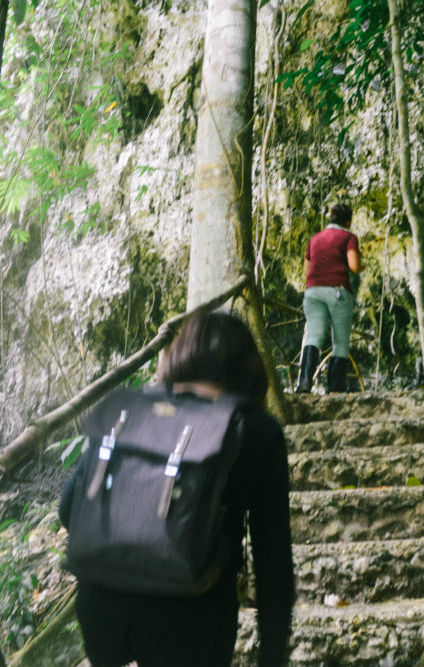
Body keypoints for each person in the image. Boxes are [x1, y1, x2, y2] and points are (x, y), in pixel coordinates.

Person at [59, 311, 295, 667]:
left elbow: (67, 508)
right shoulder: (256, 430)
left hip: (99, 604)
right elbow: (272, 561)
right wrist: (272, 656)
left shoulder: (131, 411)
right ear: (249, 370)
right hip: (191, 615)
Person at [295, 202, 362, 393]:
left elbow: (306, 270)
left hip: (313, 292)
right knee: (340, 341)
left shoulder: (315, 239)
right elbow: (354, 266)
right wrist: (362, 266)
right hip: (337, 292)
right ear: (348, 221)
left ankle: (304, 383)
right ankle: (335, 389)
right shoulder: (349, 237)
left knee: (314, 336)